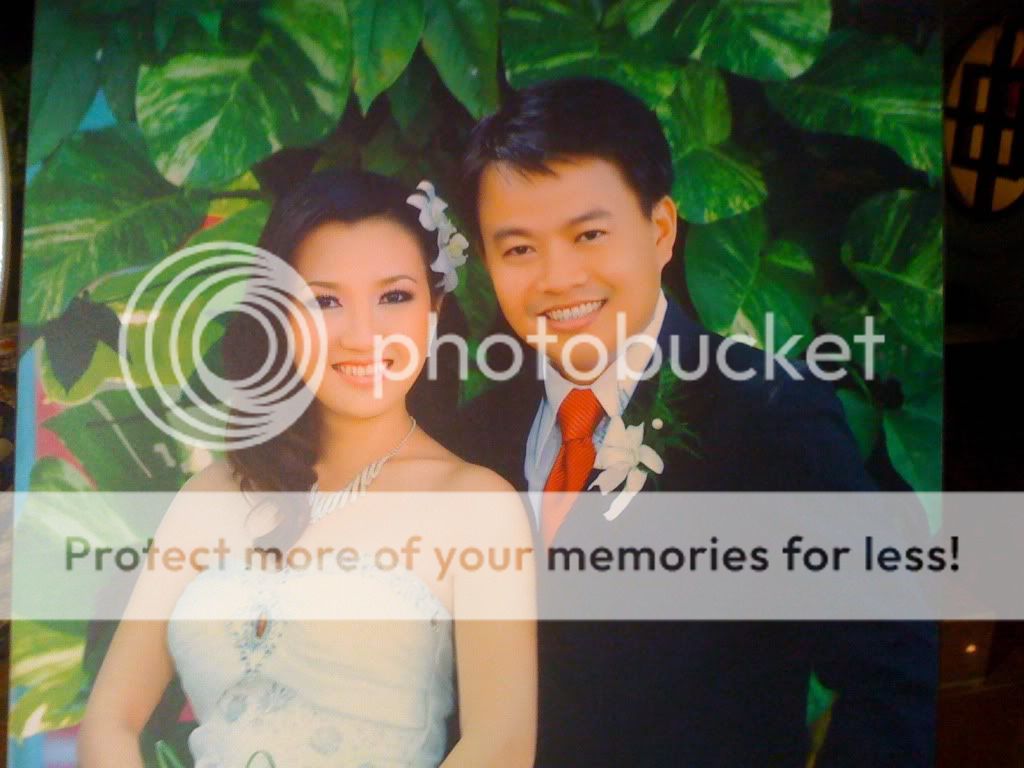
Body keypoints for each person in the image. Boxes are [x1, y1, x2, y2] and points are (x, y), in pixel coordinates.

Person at [449, 77, 937, 766]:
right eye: (519, 249)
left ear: (660, 231)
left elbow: (896, 669)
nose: (556, 278)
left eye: (589, 234)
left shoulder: (766, 415)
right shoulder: (478, 433)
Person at [79, 170, 536, 767]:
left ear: (434, 309)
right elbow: (110, 721)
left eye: (394, 297)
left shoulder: (474, 504)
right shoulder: (209, 496)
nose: (364, 336)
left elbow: (501, 744)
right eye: (325, 301)